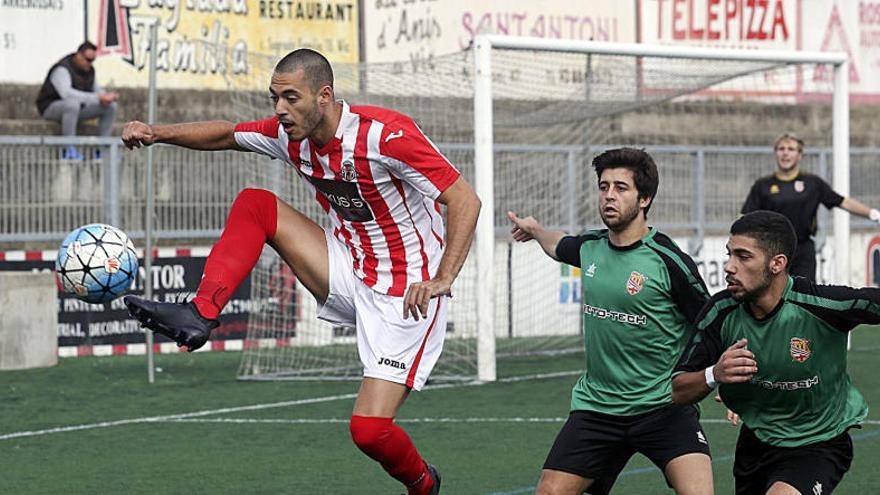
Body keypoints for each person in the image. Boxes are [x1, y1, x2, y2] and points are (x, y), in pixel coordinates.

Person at [120, 48, 480, 495]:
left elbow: (464, 199)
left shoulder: (385, 136)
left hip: (407, 296)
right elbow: (226, 135)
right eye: (275, 98)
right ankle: (199, 313)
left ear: (324, 95)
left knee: (369, 431)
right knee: (256, 203)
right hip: (347, 268)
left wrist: (444, 277)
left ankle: (423, 483)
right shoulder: (291, 136)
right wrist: (157, 133)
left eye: (291, 98)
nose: (279, 110)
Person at [508, 148, 713, 495]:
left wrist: (718, 376)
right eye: (604, 187)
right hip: (598, 408)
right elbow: (559, 245)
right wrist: (537, 231)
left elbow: (711, 323)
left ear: (644, 198)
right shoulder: (590, 246)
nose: (609, 196)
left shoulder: (669, 260)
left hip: (663, 406)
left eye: (621, 188)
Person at [672, 210, 880, 494]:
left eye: (743, 257)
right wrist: (714, 374)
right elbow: (677, 390)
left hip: (819, 443)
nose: (729, 267)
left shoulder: (821, 305)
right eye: (729, 254)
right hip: (756, 444)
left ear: (777, 263)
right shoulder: (720, 312)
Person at [741, 133, 880, 281]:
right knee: (772, 296)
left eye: (791, 149)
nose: (785, 153)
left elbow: (842, 201)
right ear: (775, 153)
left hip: (803, 249)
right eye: (781, 148)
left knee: (804, 295)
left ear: (799, 155)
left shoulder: (812, 183)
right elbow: (745, 219)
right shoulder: (763, 185)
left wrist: (872, 213)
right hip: (772, 248)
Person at [36, 41, 119, 160]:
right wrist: (97, 97)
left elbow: (97, 90)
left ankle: (103, 148)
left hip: (76, 109)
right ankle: (68, 149)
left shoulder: (89, 71)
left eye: (93, 60)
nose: (90, 63)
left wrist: (107, 96)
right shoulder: (62, 69)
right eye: (88, 59)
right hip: (50, 108)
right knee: (72, 104)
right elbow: (66, 94)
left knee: (111, 107)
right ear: (78, 55)